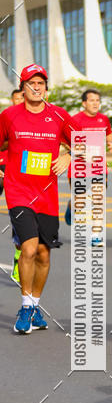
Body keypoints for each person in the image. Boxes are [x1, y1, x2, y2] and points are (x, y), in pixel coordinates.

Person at [0, 64, 73, 334]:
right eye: (31, 83)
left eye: (40, 82)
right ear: (23, 88)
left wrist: (68, 155)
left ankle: (34, 305)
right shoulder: (9, 116)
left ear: (46, 87)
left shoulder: (59, 115)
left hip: (47, 196)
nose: (36, 87)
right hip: (18, 191)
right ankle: (25, 307)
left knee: (44, 253)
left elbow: (88, 141)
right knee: (29, 249)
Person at [64, 88, 112, 232]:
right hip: (79, 168)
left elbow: (109, 136)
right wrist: (82, 153)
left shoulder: (103, 119)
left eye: (97, 100)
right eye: (92, 100)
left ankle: (96, 235)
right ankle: (71, 206)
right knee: (80, 203)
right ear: (84, 103)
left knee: (98, 200)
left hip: (98, 167)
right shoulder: (75, 120)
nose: (95, 103)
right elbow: (67, 143)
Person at [0, 89, 24, 282]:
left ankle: (18, 258)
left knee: (21, 217)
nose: (21, 101)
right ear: (12, 100)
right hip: (2, 168)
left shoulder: (38, 120)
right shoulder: (6, 118)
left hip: (22, 172)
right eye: (18, 98)